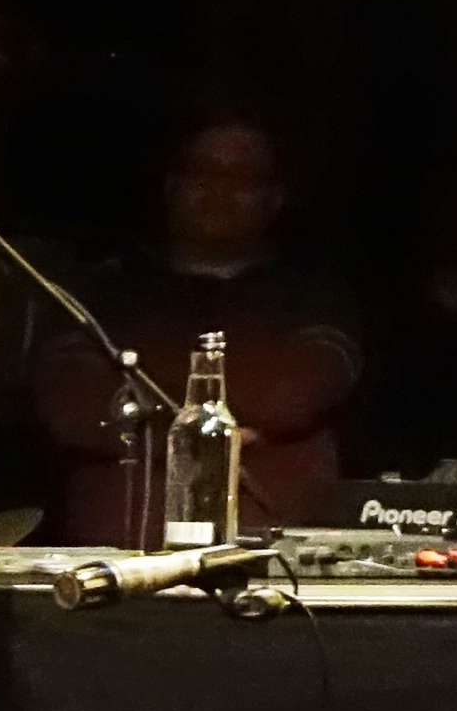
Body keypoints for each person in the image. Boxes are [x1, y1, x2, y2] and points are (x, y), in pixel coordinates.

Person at [29, 110, 363, 541]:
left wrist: (147, 394)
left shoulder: (316, 298)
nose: (220, 189)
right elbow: (72, 400)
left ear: (275, 197)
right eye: (204, 172)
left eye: (244, 176)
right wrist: (217, 428)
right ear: (172, 186)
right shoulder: (106, 290)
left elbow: (297, 387)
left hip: (272, 553)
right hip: (119, 549)